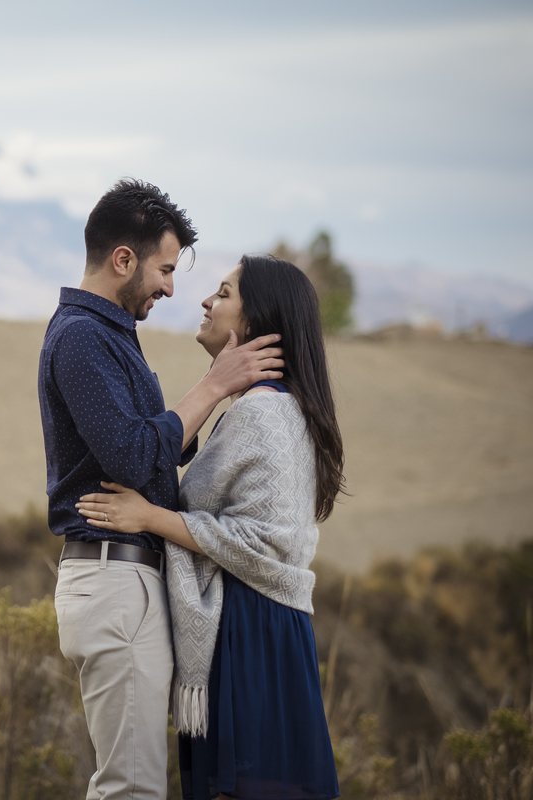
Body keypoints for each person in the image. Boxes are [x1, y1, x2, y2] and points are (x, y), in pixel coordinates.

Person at [39, 179, 285, 799]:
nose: (172, 288)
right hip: (115, 578)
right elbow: (131, 455)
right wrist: (210, 389)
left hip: (129, 580)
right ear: (124, 259)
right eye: (165, 270)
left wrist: (217, 382)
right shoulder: (81, 337)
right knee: (131, 788)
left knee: (137, 783)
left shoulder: (109, 334)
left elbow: (157, 454)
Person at [76, 254, 343, 799]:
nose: (204, 300)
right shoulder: (281, 408)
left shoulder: (262, 414)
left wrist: (150, 517)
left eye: (223, 293)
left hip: (250, 632)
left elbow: (261, 541)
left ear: (254, 321)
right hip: (266, 625)